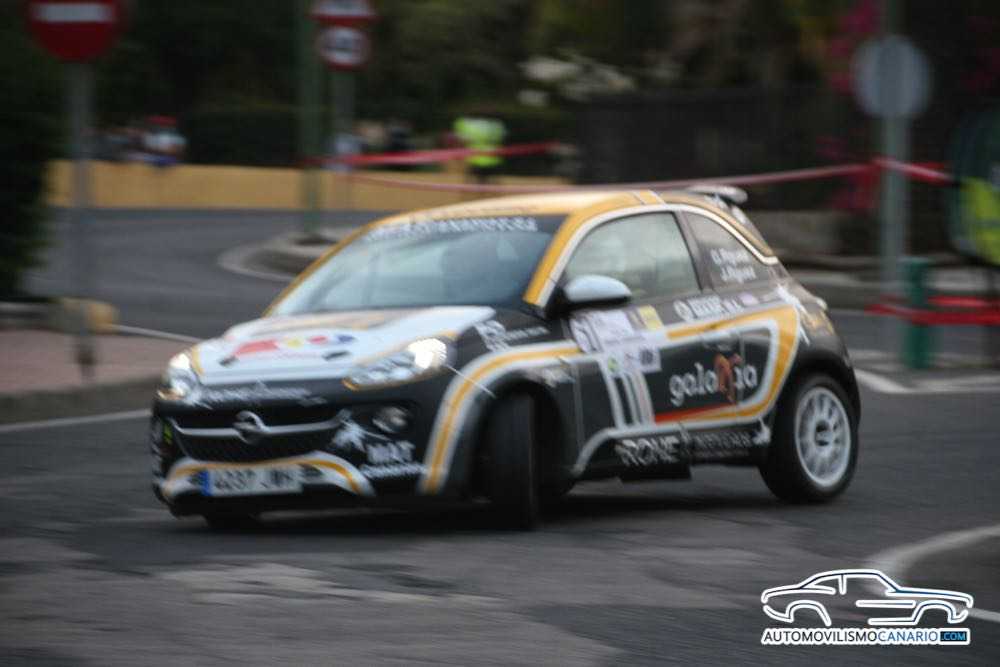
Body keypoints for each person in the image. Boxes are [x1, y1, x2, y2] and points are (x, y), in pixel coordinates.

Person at [453, 115, 506, 184]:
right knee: (492, 182)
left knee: (472, 182)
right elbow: (502, 138)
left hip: (475, 158)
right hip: (492, 157)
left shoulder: (468, 124)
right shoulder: (497, 125)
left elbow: (463, 140)